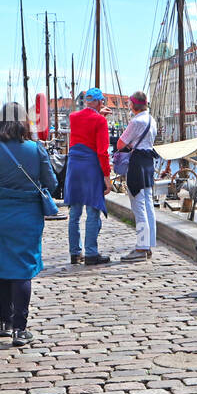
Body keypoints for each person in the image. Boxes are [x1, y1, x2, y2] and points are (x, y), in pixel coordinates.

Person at [0, 103, 58, 347]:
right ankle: (21, 329)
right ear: (24, 122)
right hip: (28, 214)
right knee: (23, 269)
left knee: (5, 268)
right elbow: (51, 183)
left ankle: (5, 323)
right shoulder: (36, 149)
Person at [63, 87, 112, 265]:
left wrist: (100, 116)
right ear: (100, 102)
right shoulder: (100, 121)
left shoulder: (73, 117)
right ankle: (91, 253)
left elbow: (85, 129)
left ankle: (75, 253)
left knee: (74, 213)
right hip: (90, 166)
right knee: (92, 210)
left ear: (85, 101)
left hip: (74, 167)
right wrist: (107, 176)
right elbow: (102, 151)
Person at [115, 90, 157, 262]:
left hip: (137, 162)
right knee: (148, 204)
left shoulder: (136, 121)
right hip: (149, 162)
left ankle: (141, 247)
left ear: (133, 105)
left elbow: (120, 143)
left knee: (138, 205)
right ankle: (149, 244)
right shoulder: (152, 119)